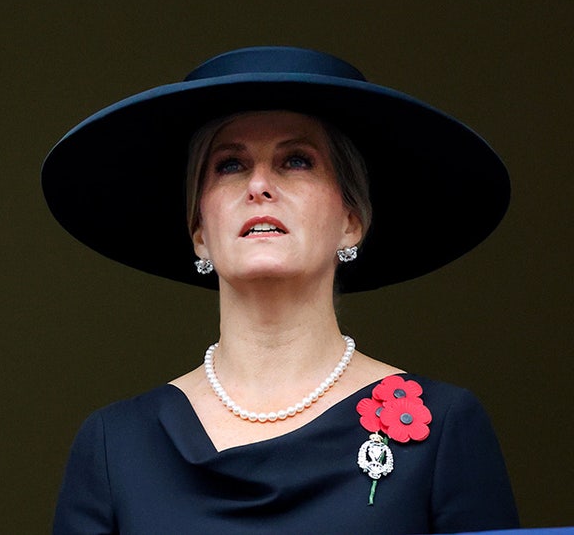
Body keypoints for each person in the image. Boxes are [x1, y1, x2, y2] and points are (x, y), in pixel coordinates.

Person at [41, 46, 518, 534]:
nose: (260, 186)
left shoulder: (442, 427)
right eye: (230, 165)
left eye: (296, 160)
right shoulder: (114, 445)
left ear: (351, 222)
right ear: (200, 232)